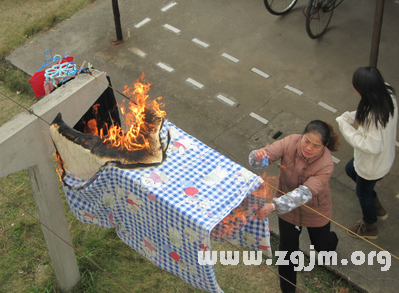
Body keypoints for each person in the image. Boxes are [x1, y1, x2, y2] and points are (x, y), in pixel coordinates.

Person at [249, 120, 339, 293]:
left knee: (322, 246)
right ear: (302, 135)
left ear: (325, 146)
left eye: (316, 145)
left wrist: (274, 205)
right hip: (286, 210)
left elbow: (304, 193)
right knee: (286, 254)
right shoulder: (290, 141)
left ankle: (331, 241)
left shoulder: (327, 164)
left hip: (315, 210)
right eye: (306, 141)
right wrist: (258, 157)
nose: (309, 148)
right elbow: (267, 156)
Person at [336, 66, 398, 240]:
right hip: (382, 159)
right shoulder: (387, 93)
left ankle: (370, 225)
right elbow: (366, 112)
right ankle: (375, 204)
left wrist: (345, 127)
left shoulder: (374, 118)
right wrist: (350, 116)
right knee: (350, 170)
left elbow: (371, 146)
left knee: (362, 193)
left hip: (372, 166)